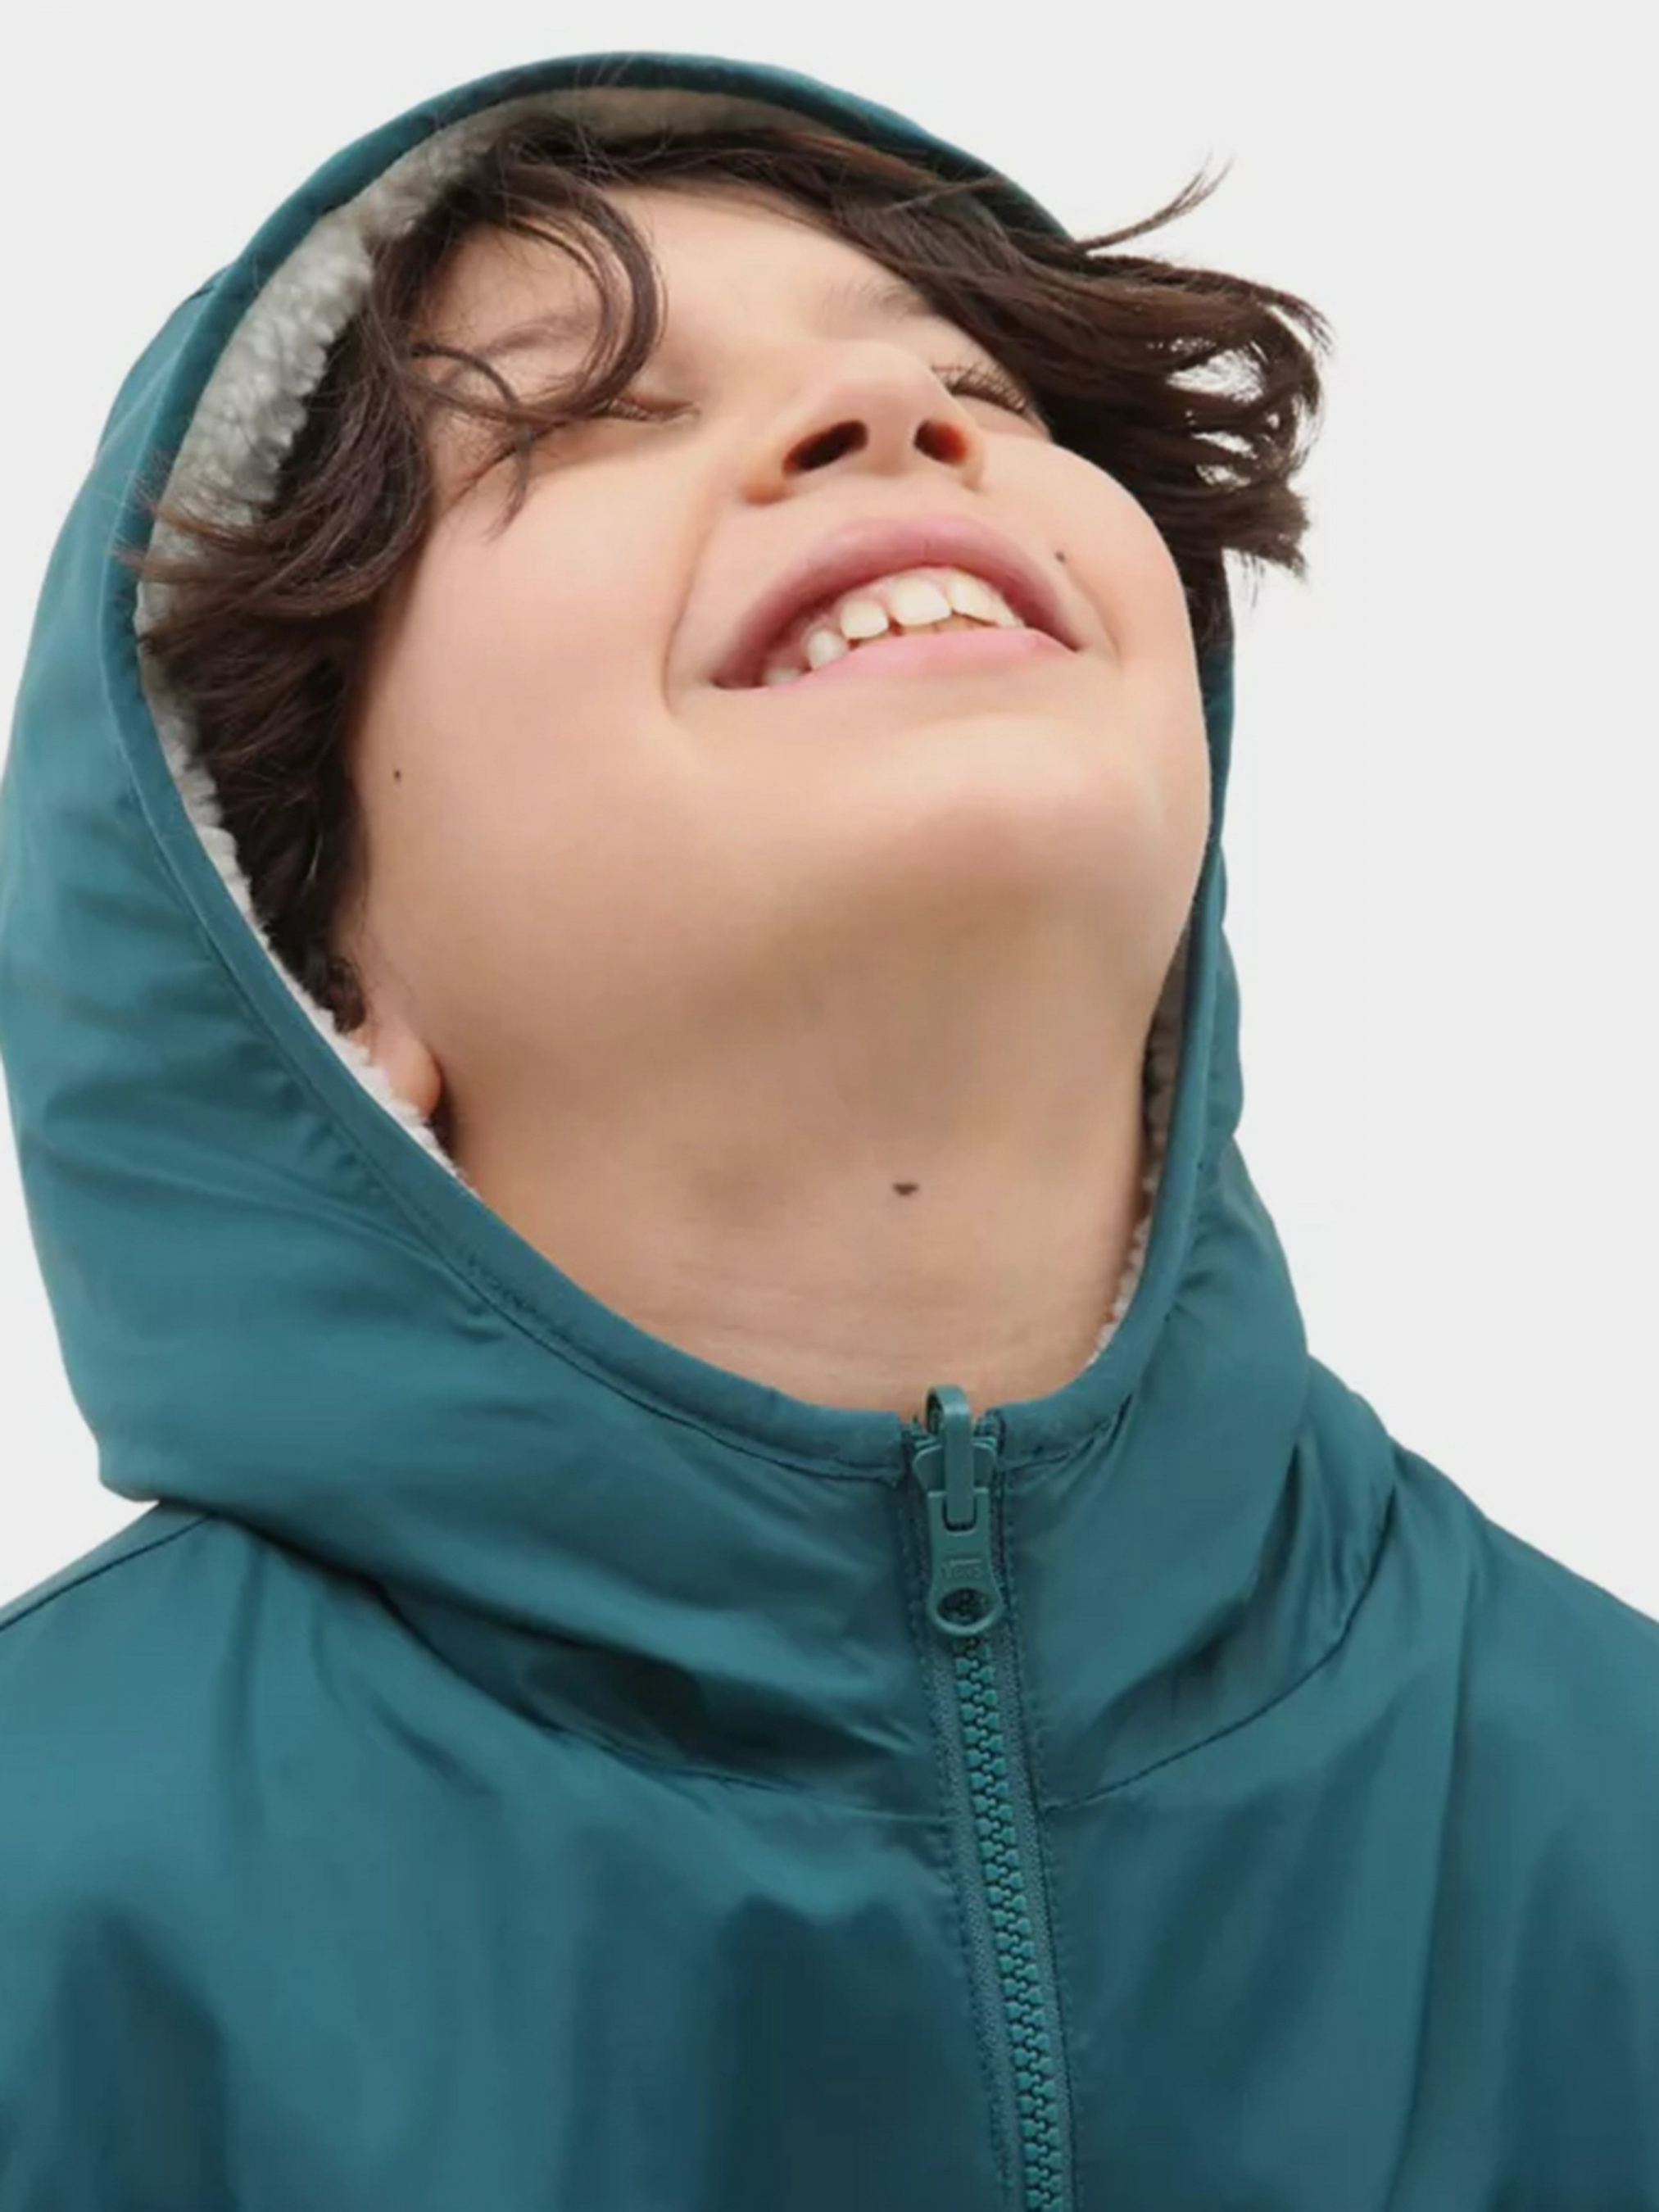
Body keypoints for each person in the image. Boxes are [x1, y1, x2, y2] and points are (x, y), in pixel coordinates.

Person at [0, 47, 1654, 2212]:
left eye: (978, 384)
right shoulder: (53, 1904)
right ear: (305, 955)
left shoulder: (1615, 1811)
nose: (891, 414)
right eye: (594, 415)